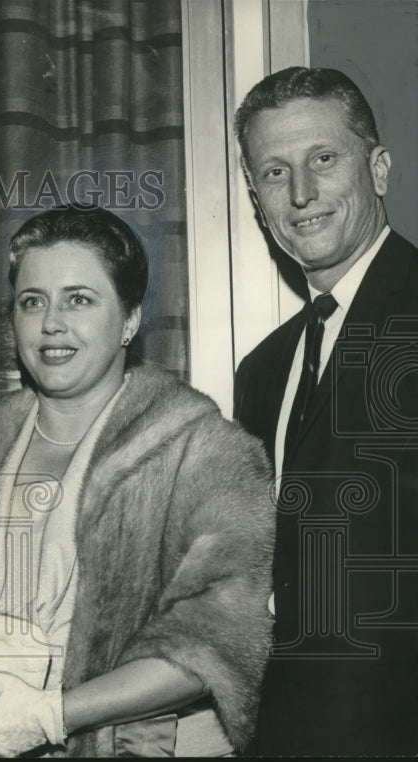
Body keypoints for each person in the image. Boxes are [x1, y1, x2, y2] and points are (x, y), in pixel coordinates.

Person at [0, 206, 276, 757]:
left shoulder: (202, 453)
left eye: (79, 299)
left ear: (128, 321)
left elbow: (218, 645)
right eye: (33, 302)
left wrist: (50, 716)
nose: (52, 322)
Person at [233, 66, 418, 756]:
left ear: (378, 168)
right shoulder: (262, 369)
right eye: (274, 173)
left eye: (323, 159)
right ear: (256, 199)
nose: (302, 193)